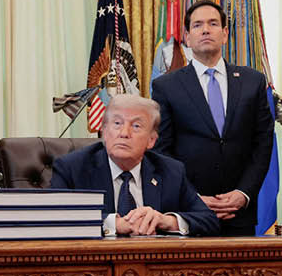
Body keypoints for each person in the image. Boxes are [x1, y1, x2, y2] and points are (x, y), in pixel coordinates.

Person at [150, 0, 274, 235]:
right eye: (197, 25)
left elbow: (263, 143)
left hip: (239, 212)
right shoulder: (166, 86)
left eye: (213, 23)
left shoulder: (252, 81)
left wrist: (243, 193)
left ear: (225, 34)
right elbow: (161, 150)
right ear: (187, 37)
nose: (206, 30)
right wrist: (192, 197)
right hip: (188, 213)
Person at [49, 94, 219, 236]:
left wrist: (166, 221)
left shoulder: (171, 171)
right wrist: (113, 224)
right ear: (104, 132)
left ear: (151, 140)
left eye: (136, 126)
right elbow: (54, 218)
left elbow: (209, 220)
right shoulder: (72, 168)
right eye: (117, 123)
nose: (124, 133)